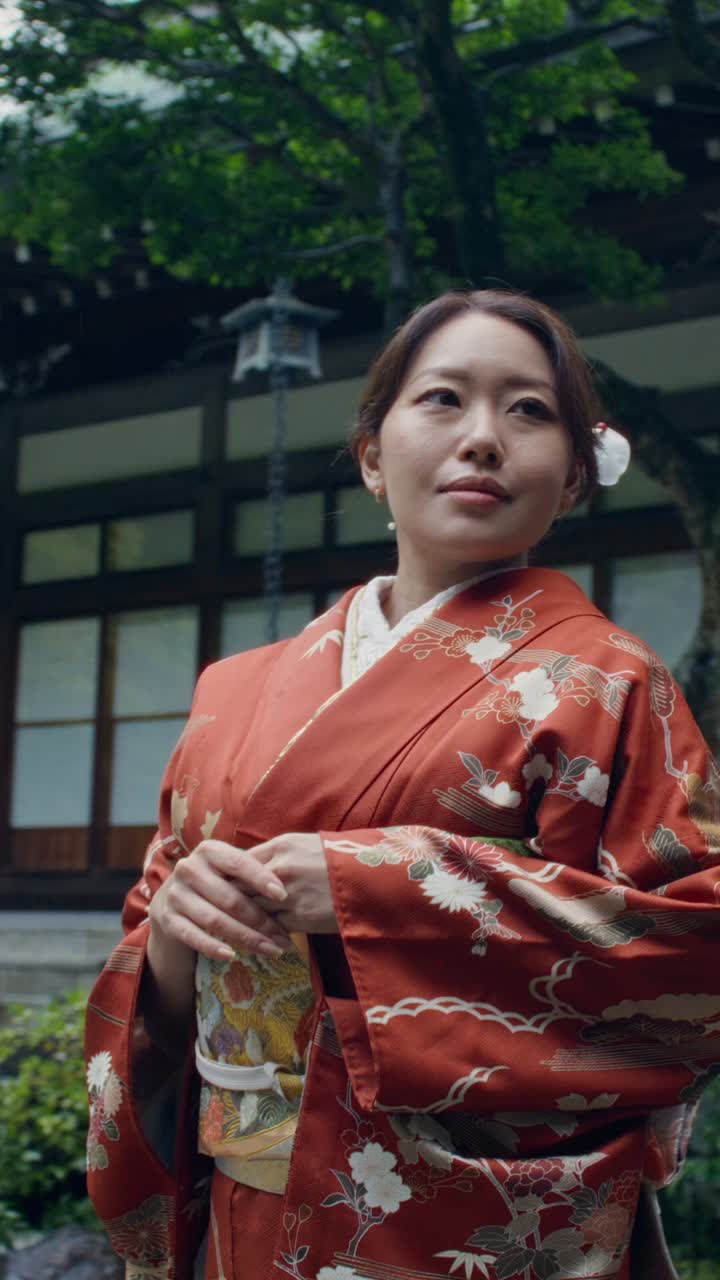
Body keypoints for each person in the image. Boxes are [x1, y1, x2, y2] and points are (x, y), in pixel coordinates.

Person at [85, 290, 719, 1280]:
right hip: (240, 1213)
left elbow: (694, 953)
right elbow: (155, 939)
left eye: (530, 410)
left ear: (574, 477)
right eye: (442, 400)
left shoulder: (610, 681)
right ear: (374, 457)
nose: (483, 438)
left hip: (459, 1224)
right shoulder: (231, 690)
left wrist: (386, 884)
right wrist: (171, 929)